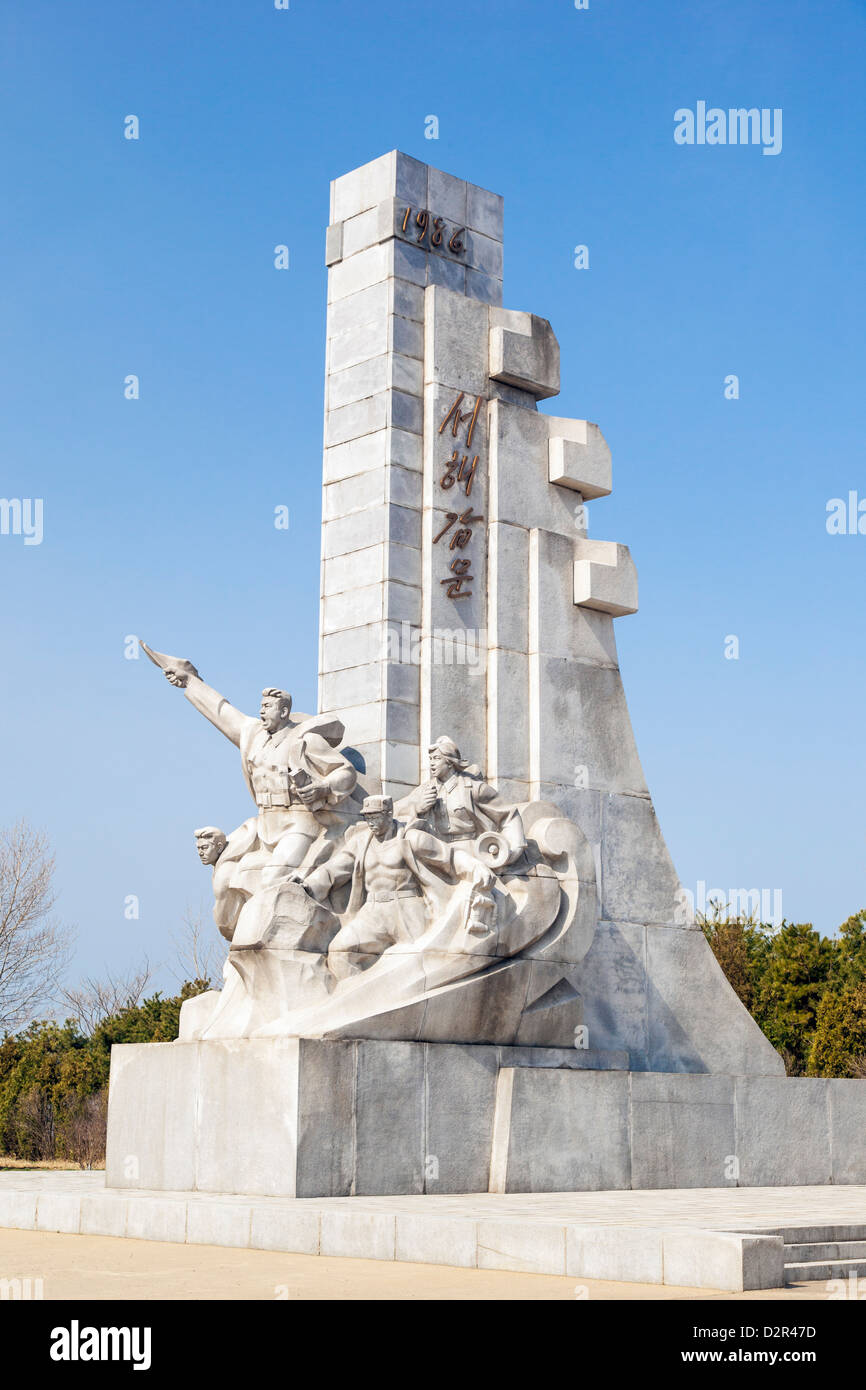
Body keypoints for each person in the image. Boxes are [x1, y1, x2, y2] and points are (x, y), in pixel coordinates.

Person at [142, 644, 357, 874]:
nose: (261, 712)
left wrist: (322, 787)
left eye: (267, 707)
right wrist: (190, 681)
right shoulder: (255, 735)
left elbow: (346, 772)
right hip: (264, 824)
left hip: (298, 824)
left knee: (273, 875)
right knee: (228, 872)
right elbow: (221, 711)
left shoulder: (305, 739)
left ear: (284, 712)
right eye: (261, 707)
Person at [300, 794, 492, 980]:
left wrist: (475, 867)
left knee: (417, 966)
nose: (371, 822)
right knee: (340, 952)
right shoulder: (361, 842)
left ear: (389, 813)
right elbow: (335, 868)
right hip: (373, 911)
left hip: (406, 909)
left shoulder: (411, 838)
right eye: (367, 817)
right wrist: (308, 884)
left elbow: (448, 856)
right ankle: (362, 999)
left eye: (375, 816)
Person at [396, 735, 525, 863]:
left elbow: (509, 815)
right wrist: (417, 808)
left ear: (450, 762)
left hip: (468, 849)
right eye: (430, 759)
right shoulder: (424, 790)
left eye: (436, 758)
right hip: (436, 850)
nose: (432, 763)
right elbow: (395, 812)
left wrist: (512, 852)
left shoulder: (473, 788)